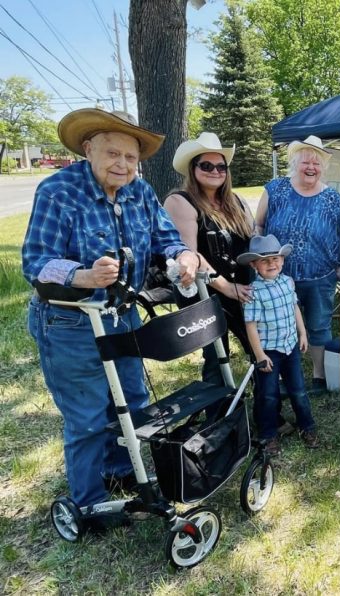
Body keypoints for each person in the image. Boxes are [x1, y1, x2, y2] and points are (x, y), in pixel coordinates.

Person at [22, 108, 199, 525]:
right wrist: (81, 275)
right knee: (86, 417)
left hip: (123, 315)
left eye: (131, 158)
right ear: (88, 149)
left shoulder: (140, 190)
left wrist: (183, 255)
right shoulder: (57, 191)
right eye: (112, 154)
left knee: (132, 402)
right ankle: (88, 505)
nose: (122, 165)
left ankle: (122, 473)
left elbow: (166, 237)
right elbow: (34, 262)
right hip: (69, 321)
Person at [164, 132, 255, 385]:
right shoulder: (179, 201)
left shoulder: (236, 202)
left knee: (258, 346)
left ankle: (267, 410)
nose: (215, 171)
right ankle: (220, 418)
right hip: (205, 292)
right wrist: (226, 287)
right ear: (192, 169)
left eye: (221, 166)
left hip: (242, 288)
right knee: (218, 355)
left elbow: (252, 239)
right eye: (206, 165)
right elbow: (189, 253)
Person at [255, 136, 340, 395]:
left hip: (320, 274)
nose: (311, 167)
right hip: (278, 276)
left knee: (319, 325)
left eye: (317, 162)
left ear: (323, 166)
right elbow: (258, 225)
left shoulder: (333, 199)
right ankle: (281, 376)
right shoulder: (276, 189)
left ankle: (319, 376)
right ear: (295, 163)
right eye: (306, 161)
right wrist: (257, 255)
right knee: (278, 325)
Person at [238, 234, 319, 456]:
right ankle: (268, 434)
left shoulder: (288, 282)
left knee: (299, 390)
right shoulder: (253, 292)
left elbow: (294, 309)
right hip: (269, 351)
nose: (271, 264)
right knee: (268, 394)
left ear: (282, 261)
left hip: (290, 346)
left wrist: (302, 334)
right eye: (264, 260)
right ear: (254, 265)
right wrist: (259, 355)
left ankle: (307, 426)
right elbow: (251, 326)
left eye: (275, 258)